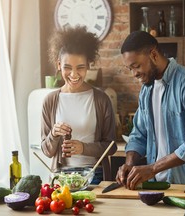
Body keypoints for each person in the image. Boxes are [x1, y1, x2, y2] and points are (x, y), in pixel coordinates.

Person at [116, 31, 185, 189]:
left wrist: (153, 168)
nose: (134, 74)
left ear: (153, 55)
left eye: (137, 66)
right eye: (130, 69)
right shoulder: (146, 91)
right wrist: (129, 164)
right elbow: (139, 135)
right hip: (159, 186)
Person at [41, 26, 117, 183]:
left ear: (88, 65)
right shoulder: (50, 101)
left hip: (94, 175)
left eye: (80, 68)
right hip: (61, 176)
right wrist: (54, 135)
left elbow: (111, 146)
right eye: (67, 67)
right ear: (58, 65)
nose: (74, 75)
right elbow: (47, 151)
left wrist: (84, 148)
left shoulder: (101, 99)